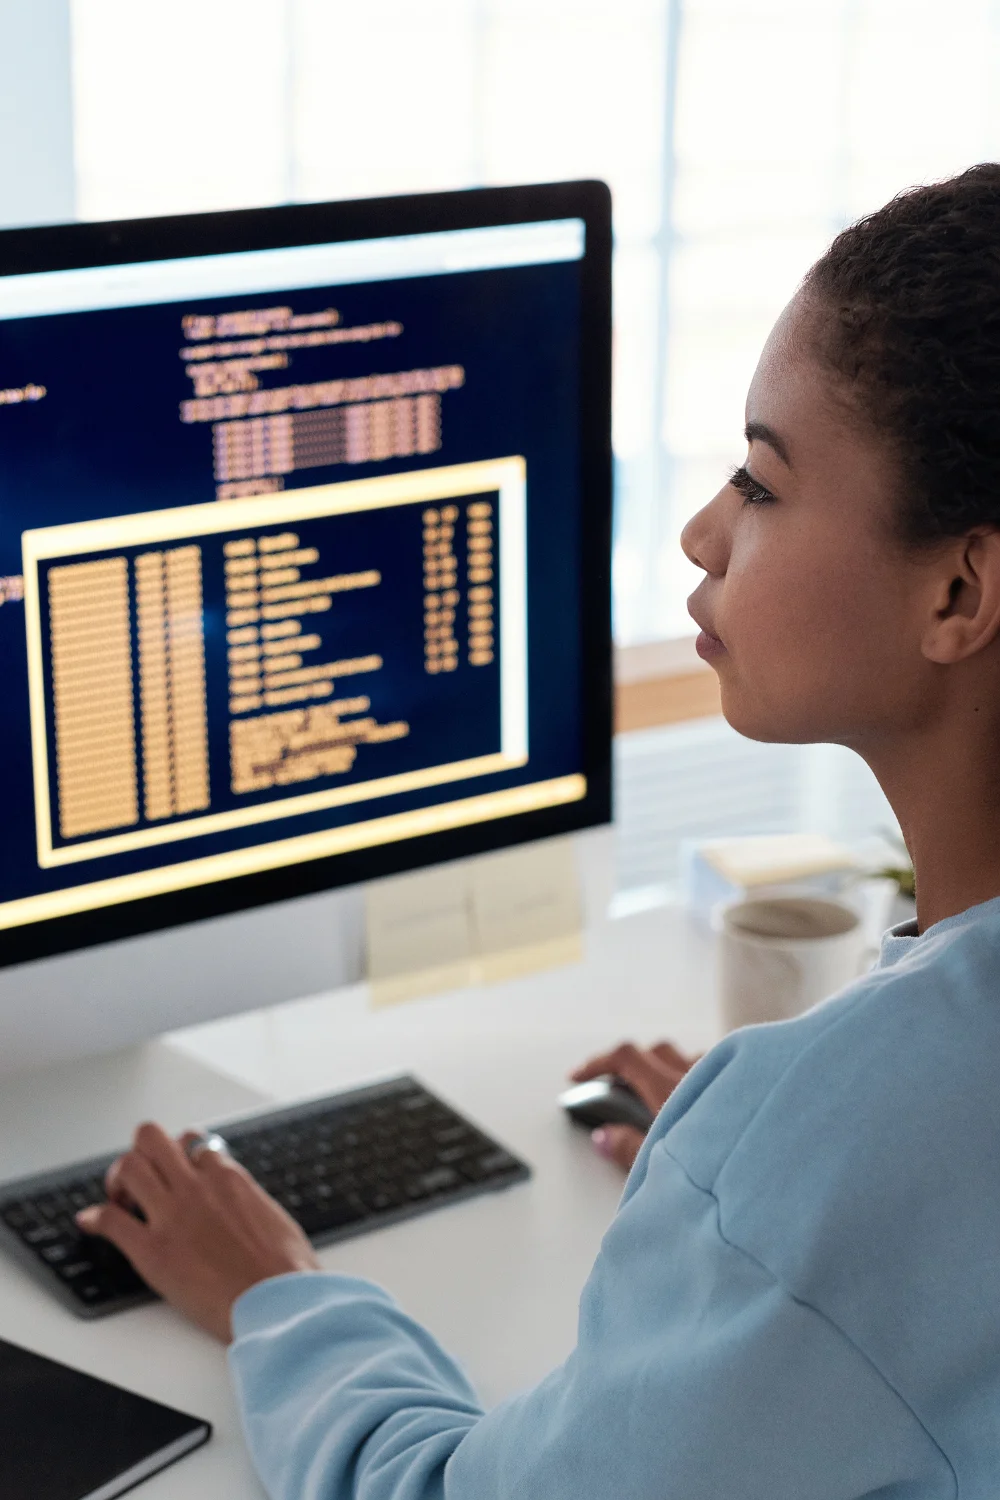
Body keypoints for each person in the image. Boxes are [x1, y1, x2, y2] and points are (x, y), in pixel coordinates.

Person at [78, 166, 1000, 1497]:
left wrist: (277, 1292)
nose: (700, 531)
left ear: (962, 586)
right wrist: (772, 1189)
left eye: (761, 483)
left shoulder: (859, 1157)